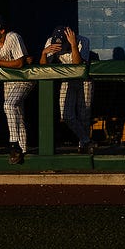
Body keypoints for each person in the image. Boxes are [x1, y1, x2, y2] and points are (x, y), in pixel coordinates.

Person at [0, 15, 33, 164]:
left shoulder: (13, 37)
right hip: (8, 82)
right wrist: (3, 63)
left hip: (24, 79)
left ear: (2, 30)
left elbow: (19, 64)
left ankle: (14, 144)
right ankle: (23, 149)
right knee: (17, 114)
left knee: (9, 105)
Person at [40, 24, 94, 153]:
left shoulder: (83, 40)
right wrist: (44, 53)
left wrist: (73, 45)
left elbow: (77, 65)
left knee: (84, 115)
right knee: (66, 115)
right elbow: (42, 67)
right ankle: (86, 140)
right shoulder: (50, 41)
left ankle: (83, 146)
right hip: (66, 79)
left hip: (83, 80)